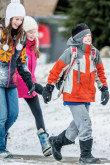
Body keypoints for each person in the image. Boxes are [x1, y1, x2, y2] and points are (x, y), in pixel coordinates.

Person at [42, 23, 109, 164]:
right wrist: (49, 87)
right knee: (85, 124)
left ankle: (56, 142)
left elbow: (99, 72)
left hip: (87, 95)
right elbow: (56, 70)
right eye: (86, 36)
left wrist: (104, 88)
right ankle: (85, 155)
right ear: (78, 38)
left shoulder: (94, 53)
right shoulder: (70, 52)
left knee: (76, 129)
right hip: (73, 94)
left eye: (90, 36)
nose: (89, 38)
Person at [0, 0, 37, 159]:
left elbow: (22, 63)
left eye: (21, 19)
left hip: (12, 81)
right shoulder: (0, 33)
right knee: (1, 116)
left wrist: (29, 81)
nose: (18, 22)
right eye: (15, 18)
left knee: (13, 115)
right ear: (9, 18)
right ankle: (1, 148)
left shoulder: (21, 37)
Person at [15, 16, 51, 157]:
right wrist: (37, 87)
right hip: (17, 83)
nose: (33, 34)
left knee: (38, 113)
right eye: (29, 31)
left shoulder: (33, 46)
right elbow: (19, 70)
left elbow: (31, 72)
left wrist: (37, 86)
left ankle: (44, 143)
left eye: (34, 31)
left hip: (30, 83)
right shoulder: (20, 47)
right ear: (23, 32)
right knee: (11, 115)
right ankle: (3, 139)